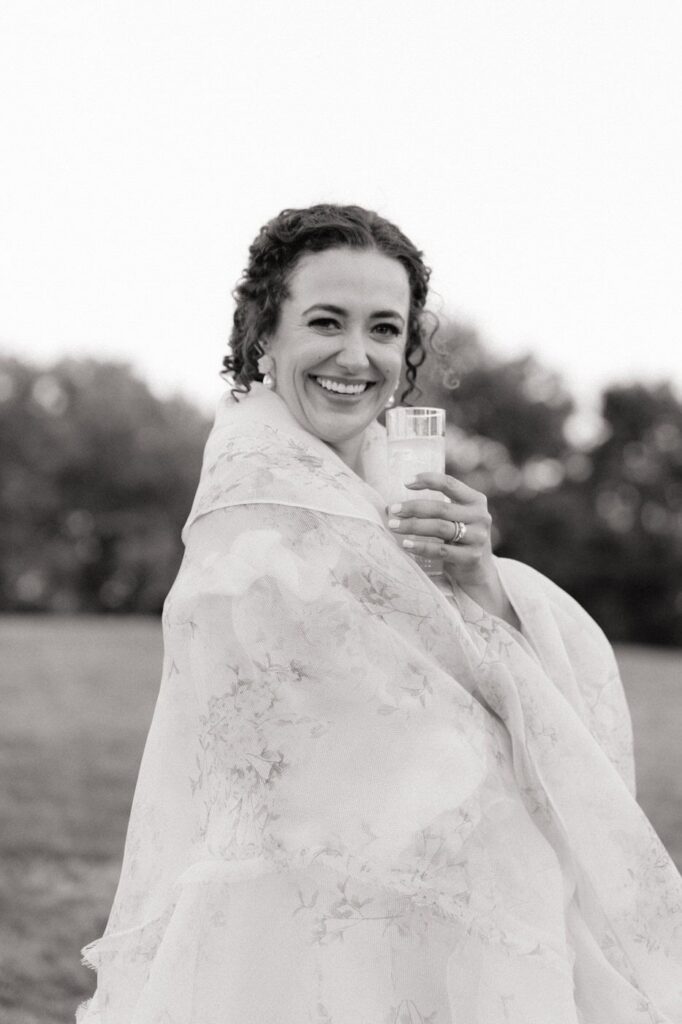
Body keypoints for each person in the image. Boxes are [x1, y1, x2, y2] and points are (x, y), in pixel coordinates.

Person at [77, 204, 682, 1023]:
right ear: (264, 335)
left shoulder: (379, 479)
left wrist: (483, 580)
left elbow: (447, 662)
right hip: (310, 928)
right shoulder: (253, 506)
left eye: (384, 330)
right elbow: (344, 741)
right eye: (325, 321)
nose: (356, 357)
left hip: (416, 911)